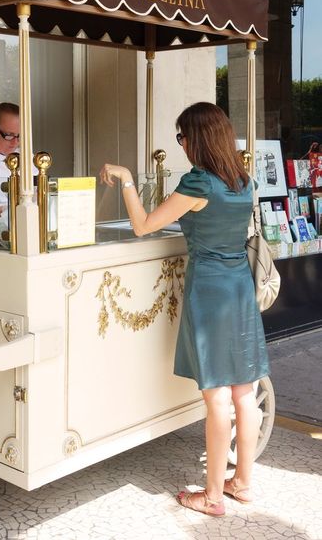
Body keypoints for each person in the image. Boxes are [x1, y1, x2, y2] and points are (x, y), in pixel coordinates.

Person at [100, 101, 270, 518]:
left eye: (181, 137)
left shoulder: (199, 183)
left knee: (216, 399)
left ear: (196, 138)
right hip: (239, 289)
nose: (181, 145)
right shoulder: (242, 181)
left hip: (210, 291)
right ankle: (242, 483)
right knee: (244, 393)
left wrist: (125, 179)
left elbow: (143, 225)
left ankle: (212, 497)